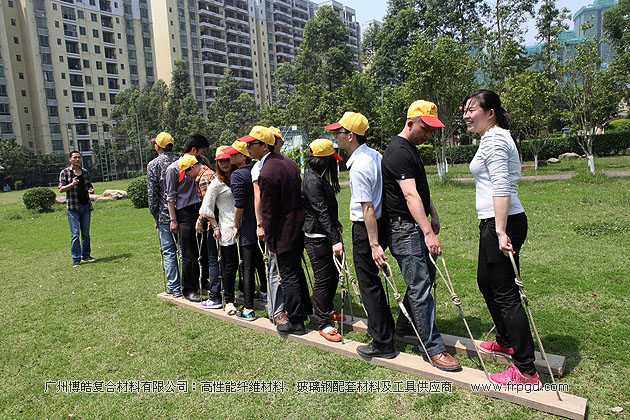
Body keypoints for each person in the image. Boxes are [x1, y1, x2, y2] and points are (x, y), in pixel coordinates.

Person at [462, 89, 540, 386]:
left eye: (472, 110)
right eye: (465, 111)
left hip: (502, 222)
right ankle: (506, 339)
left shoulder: (495, 139)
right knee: (486, 281)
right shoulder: (493, 137)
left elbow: (501, 186)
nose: (467, 116)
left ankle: (525, 370)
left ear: (490, 112)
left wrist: (500, 230)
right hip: (495, 221)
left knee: (505, 292)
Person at [381, 100, 461, 372]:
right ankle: (433, 348)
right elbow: (409, 194)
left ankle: (405, 324)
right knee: (421, 287)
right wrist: (427, 231)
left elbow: (420, 190)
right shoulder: (397, 152)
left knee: (424, 278)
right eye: (425, 128)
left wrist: (433, 213)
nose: (428, 134)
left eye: (432, 130)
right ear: (410, 123)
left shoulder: (411, 149)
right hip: (404, 228)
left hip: (414, 224)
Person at [324, 112, 396, 358]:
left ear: (350, 136)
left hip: (367, 229)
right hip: (379, 224)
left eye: (338, 133)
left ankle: (382, 342)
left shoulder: (358, 165)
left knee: (369, 284)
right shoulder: (375, 155)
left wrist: (374, 243)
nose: (336, 137)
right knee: (373, 282)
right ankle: (387, 328)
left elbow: (367, 208)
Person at [243, 126, 312, 335]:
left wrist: (270, 239)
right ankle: (305, 309)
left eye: (251, 144)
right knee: (296, 271)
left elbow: (269, 211)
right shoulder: (287, 162)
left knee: (288, 275)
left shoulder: (267, 172)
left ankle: (297, 320)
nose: (247, 147)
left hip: (283, 230)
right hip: (296, 226)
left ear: (264, 146)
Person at [301, 139, 345, 342]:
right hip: (317, 237)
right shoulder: (312, 181)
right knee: (323, 279)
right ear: (324, 160)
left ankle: (327, 309)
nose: (334, 164)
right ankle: (323, 323)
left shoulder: (318, 177)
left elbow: (327, 210)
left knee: (333, 275)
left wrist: (335, 224)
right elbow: (321, 212)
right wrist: (335, 239)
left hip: (325, 233)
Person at [165, 134, 210, 302]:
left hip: (201, 210)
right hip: (185, 213)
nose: (201, 155)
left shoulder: (201, 164)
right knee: (189, 252)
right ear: (193, 150)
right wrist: (173, 219)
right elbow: (170, 196)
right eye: (201, 152)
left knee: (203, 248)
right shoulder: (174, 169)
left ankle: (202, 281)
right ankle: (189, 289)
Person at [224, 140, 265, 321]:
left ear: (243, 156)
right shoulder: (257, 169)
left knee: (247, 267)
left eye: (234, 154)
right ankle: (265, 293)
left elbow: (239, 204)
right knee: (262, 262)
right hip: (261, 223)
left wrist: (235, 223)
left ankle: (248, 308)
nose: (231, 157)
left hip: (248, 226)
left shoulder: (238, 175)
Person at [250, 126, 287, 325]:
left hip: (282, 223)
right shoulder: (259, 168)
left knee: (282, 268)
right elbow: (258, 197)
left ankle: (281, 307)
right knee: (273, 268)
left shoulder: (281, 163)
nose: (247, 147)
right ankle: (276, 311)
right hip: (269, 223)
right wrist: (260, 224)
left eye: (251, 143)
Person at [199, 146, 241, 316]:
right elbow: (206, 208)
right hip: (228, 229)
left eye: (227, 159)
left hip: (244, 228)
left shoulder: (238, 177)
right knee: (230, 266)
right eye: (221, 161)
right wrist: (215, 226)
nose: (224, 163)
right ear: (216, 162)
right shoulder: (216, 182)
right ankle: (229, 300)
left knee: (245, 264)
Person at [177, 155, 222, 308]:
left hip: (214, 224)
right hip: (216, 222)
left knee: (213, 259)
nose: (188, 177)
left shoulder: (204, 179)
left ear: (192, 168)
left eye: (187, 173)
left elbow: (208, 205)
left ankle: (216, 293)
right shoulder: (208, 174)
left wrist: (200, 220)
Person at [147, 132, 181, 296]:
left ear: (157, 146)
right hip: (183, 213)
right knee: (185, 251)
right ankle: (190, 284)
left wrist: (155, 216)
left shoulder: (153, 165)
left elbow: (152, 194)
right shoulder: (181, 160)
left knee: (168, 251)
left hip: (164, 215)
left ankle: (174, 287)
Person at [58, 150, 96, 268]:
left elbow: (89, 185)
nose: (77, 159)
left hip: (85, 206)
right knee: (75, 234)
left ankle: (86, 255)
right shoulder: (65, 173)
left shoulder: (84, 172)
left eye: (79, 157)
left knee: (85, 233)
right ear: (70, 159)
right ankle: (76, 259)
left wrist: (91, 189)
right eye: (75, 158)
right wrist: (71, 184)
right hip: (73, 208)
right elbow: (61, 189)